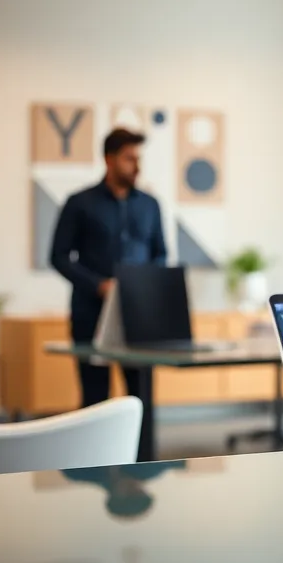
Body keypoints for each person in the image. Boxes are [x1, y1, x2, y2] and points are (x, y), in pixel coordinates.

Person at [50, 128, 165, 408]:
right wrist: (98, 285)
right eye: (129, 158)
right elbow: (59, 256)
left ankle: (142, 454)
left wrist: (143, 285)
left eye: (138, 159)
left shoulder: (150, 205)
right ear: (109, 159)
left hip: (137, 315)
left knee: (140, 398)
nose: (136, 166)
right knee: (94, 397)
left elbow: (160, 254)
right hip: (91, 314)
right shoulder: (80, 203)